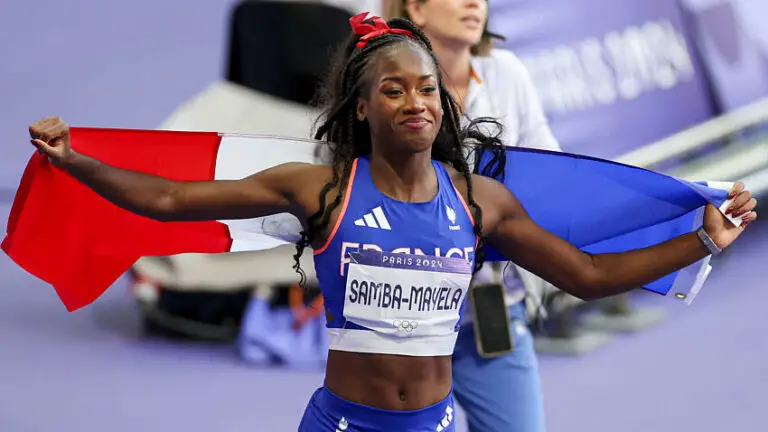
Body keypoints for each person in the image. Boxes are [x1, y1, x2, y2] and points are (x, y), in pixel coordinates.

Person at [28, 14, 757, 432]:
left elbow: (589, 276)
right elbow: (168, 201)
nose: (416, 102)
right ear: (361, 107)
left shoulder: (480, 202)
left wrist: (701, 240)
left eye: (427, 89)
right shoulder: (319, 190)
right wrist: (77, 161)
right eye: (394, 89)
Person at [383, 1, 561, 430]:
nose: (474, 3)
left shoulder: (507, 72)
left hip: (491, 307)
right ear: (416, 8)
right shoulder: (378, 82)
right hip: (402, 321)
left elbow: (550, 177)